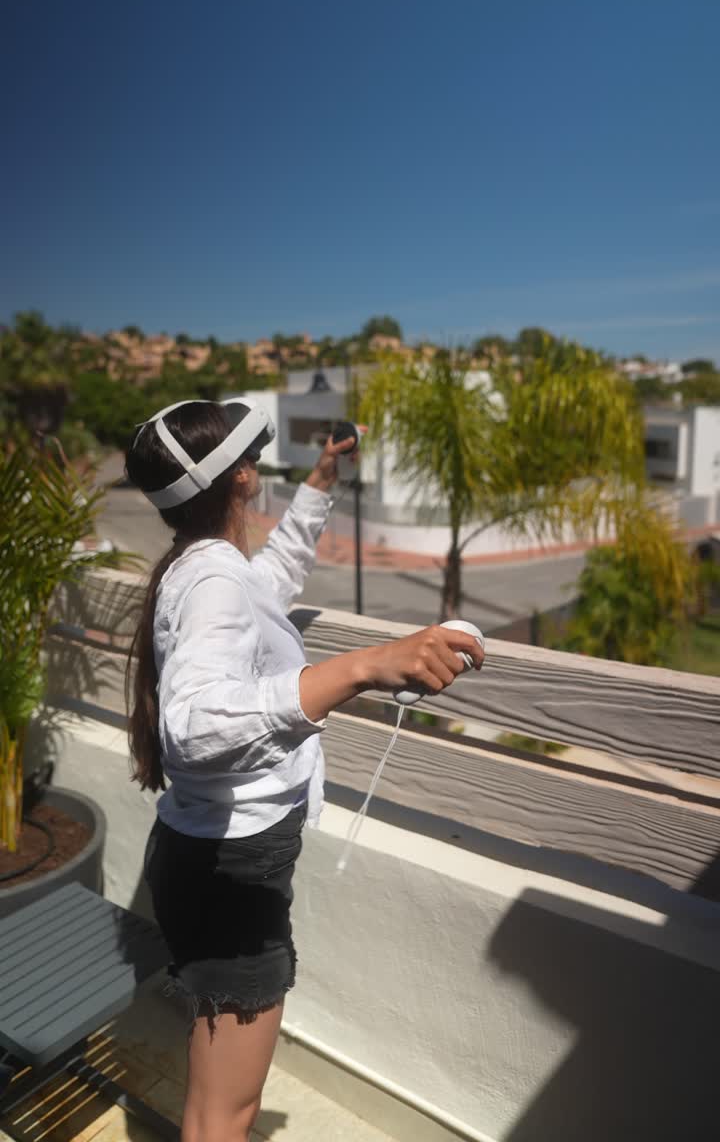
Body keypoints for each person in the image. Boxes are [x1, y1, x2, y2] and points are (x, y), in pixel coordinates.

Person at [124, 396, 484, 1142]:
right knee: (229, 1115)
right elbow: (193, 726)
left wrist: (322, 476)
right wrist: (367, 666)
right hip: (233, 873)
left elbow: (275, 577)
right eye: (249, 457)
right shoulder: (214, 582)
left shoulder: (205, 566)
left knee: (213, 1084)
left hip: (208, 858)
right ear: (243, 478)